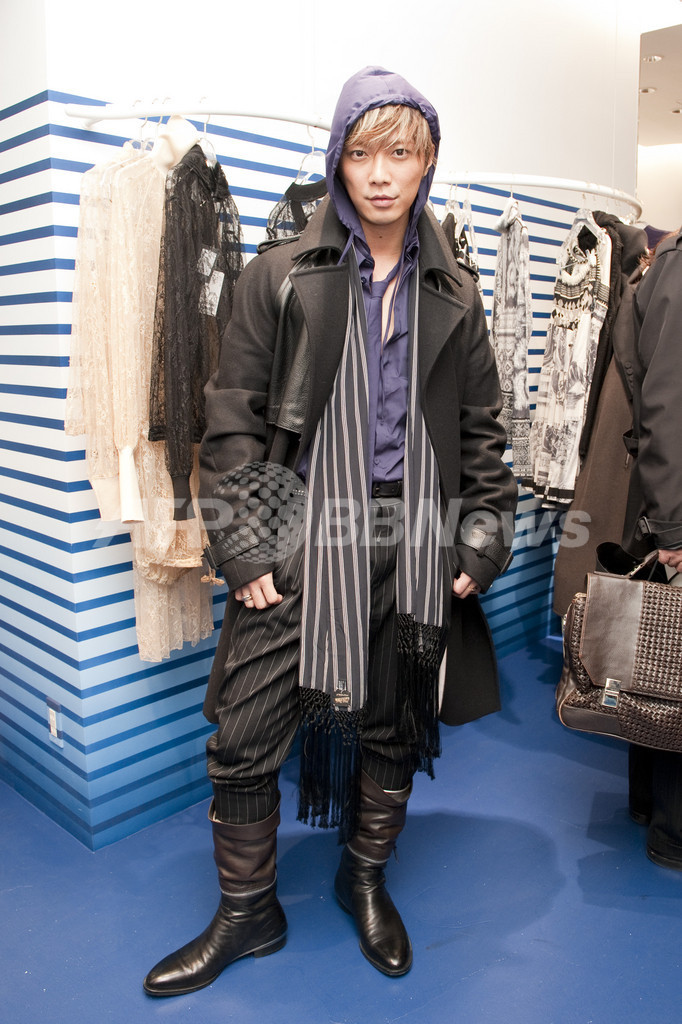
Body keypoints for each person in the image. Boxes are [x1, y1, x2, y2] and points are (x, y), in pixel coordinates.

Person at [143, 65, 517, 997]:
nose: (381, 174)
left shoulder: (456, 292)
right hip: (304, 527)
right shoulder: (280, 275)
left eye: (401, 153)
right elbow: (232, 419)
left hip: (415, 540)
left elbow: (480, 433)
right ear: (337, 161)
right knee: (245, 732)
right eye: (362, 154)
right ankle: (247, 913)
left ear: (428, 161)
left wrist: (480, 539)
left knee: (393, 725)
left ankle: (364, 879)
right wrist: (246, 545)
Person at [621, 227, 682, 868]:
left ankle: (651, 806)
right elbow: (666, 403)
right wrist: (673, 526)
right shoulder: (679, 269)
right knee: (673, 662)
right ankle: (672, 831)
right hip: (676, 505)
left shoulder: (663, 267)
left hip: (667, 498)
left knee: (664, 659)